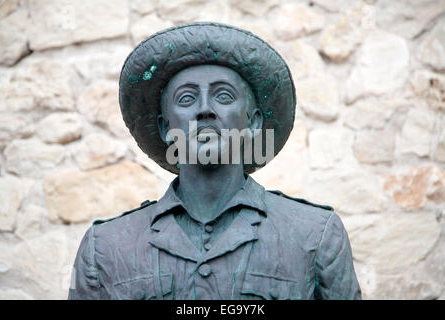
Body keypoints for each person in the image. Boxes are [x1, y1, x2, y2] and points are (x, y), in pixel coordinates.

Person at [68, 22, 361, 300]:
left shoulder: (315, 234)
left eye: (223, 95)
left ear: (253, 122)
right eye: (186, 99)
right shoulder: (106, 246)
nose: (205, 110)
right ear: (165, 128)